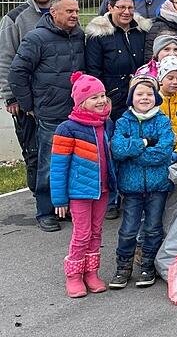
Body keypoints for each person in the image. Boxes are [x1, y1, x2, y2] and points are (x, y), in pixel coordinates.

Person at [9, 0, 85, 232]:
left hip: (76, 113)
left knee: (73, 163)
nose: (75, 15)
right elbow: (17, 73)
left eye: (76, 11)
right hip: (50, 113)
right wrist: (29, 105)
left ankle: (66, 208)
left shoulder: (80, 36)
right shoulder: (36, 38)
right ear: (54, 13)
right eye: (69, 11)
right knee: (49, 164)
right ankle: (45, 211)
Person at [51, 73, 115, 297]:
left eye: (103, 95)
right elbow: (58, 167)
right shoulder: (67, 128)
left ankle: (91, 272)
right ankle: (74, 276)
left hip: (103, 190)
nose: (101, 101)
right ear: (80, 102)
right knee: (82, 234)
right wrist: (59, 199)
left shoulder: (106, 123)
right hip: (79, 192)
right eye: (94, 97)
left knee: (96, 232)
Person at [109, 75, 175, 289]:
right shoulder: (123, 122)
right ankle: (123, 266)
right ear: (131, 98)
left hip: (158, 186)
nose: (144, 98)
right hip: (131, 187)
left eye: (149, 94)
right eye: (139, 94)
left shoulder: (163, 121)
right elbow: (117, 149)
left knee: (153, 227)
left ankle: (148, 264)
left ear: (156, 97)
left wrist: (134, 153)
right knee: (128, 228)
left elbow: (163, 152)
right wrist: (145, 143)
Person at [0, 0, 55, 203]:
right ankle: (41, 202)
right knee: (34, 152)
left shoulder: (61, 13)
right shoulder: (14, 18)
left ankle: (58, 202)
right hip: (26, 99)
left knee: (57, 153)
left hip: (55, 98)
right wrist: (10, 96)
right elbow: (5, 58)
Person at [85, 0, 151, 121]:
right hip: (113, 100)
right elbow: (94, 71)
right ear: (110, 7)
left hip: (141, 97)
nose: (126, 12)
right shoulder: (99, 34)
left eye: (130, 8)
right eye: (121, 7)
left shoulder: (142, 31)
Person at [136, 33, 177, 126]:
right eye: (166, 49)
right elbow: (136, 101)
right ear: (157, 52)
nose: (172, 53)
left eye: (176, 49)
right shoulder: (145, 73)